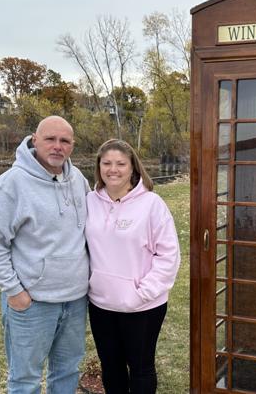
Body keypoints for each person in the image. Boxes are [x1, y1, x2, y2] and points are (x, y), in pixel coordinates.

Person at [0, 116, 90, 394]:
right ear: (35, 139)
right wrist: (15, 291)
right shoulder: (11, 185)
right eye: (50, 139)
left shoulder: (78, 180)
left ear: (72, 145)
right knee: (25, 380)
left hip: (75, 300)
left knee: (67, 372)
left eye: (64, 141)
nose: (57, 146)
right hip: (33, 303)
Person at [85, 139, 181, 394]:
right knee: (111, 366)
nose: (113, 170)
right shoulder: (89, 201)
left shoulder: (151, 204)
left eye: (120, 164)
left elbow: (169, 254)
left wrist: (143, 293)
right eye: (106, 163)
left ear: (133, 168)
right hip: (101, 303)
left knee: (141, 368)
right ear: (99, 167)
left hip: (143, 305)